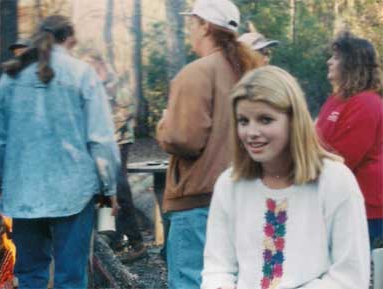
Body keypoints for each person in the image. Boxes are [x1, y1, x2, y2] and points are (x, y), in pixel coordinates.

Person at [201, 65, 370, 289]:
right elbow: (217, 267)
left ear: (294, 120)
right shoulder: (229, 184)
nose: (251, 132)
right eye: (243, 121)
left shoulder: (334, 180)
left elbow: (350, 275)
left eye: (265, 119)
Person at [0, 15, 120, 289]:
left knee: (30, 277)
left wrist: (8, 183)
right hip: (74, 193)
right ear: (68, 39)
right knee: (70, 278)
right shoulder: (82, 74)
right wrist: (108, 193)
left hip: (23, 193)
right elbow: (101, 141)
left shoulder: (10, 78)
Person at [156, 0, 261, 287]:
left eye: (193, 23)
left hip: (199, 203)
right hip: (245, 196)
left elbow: (185, 140)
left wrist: (164, 125)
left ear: (205, 26)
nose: (189, 30)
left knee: (191, 280)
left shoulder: (196, 73)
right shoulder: (248, 71)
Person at [316, 32, 383, 250]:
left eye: (335, 57)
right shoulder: (337, 100)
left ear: (351, 64)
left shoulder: (367, 104)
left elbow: (343, 158)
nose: (329, 61)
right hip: (338, 199)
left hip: (365, 207)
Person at [82, 51, 146, 262]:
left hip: (118, 142)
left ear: (99, 62)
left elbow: (128, 110)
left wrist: (105, 130)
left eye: (90, 64)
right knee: (104, 191)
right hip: (100, 144)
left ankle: (137, 242)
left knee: (120, 190)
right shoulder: (90, 84)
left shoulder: (116, 83)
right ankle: (115, 237)